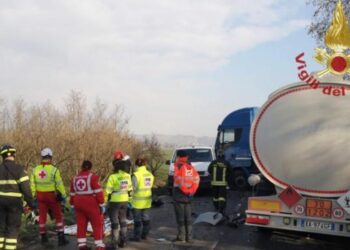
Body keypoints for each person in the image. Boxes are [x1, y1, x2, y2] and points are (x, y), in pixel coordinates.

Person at [30, 147, 69, 246]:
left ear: (42, 157)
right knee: (58, 216)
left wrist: (34, 195)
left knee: (42, 217)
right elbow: (59, 184)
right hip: (52, 196)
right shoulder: (54, 170)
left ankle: (43, 237)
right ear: (50, 157)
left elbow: (32, 184)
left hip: (40, 196)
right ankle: (61, 239)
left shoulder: (35, 170)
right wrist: (64, 196)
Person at [0, 144, 34, 250]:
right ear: (14, 155)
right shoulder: (20, 170)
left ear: (2, 156)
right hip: (14, 205)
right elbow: (26, 189)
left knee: (0, 229)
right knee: (12, 230)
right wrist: (31, 204)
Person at [70, 160, 105, 250]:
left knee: (81, 225)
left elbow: (72, 193)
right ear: (90, 167)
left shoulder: (74, 178)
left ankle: (82, 245)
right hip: (91, 204)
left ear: (82, 167)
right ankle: (99, 245)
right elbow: (98, 192)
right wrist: (102, 203)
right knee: (97, 224)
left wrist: (72, 204)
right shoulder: (93, 177)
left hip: (78, 204)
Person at [105, 150, 133, 249]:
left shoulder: (113, 177)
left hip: (114, 201)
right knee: (123, 220)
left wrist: (104, 203)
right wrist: (130, 201)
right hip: (124, 201)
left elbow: (107, 191)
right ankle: (123, 241)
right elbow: (130, 190)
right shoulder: (128, 176)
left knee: (114, 222)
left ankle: (114, 243)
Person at [172, 150, 200, 243]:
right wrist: (191, 191)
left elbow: (179, 180)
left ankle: (181, 237)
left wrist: (184, 190)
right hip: (189, 196)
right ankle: (189, 237)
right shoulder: (190, 167)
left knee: (180, 218)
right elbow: (196, 179)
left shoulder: (178, 166)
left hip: (179, 195)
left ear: (179, 157)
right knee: (188, 218)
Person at [131, 156, 154, 241]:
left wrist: (129, 198)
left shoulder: (136, 175)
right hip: (147, 201)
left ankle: (137, 237)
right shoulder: (150, 174)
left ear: (137, 165)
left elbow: (133, 189)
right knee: (146, 218)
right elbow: (150, 186)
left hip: (137, 202)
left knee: (137, 220)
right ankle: (145, 235)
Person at [208, 149, 230, 215]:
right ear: (223, 155)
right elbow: (230, 172)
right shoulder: (226, 163)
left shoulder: (213, 162)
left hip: (214, 183)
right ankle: (221, 209)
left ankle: (216, 207)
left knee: (215, 197)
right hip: (223, 184)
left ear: (217, 155)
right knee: (222, 197)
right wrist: (227, 178)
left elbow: (209, 170)